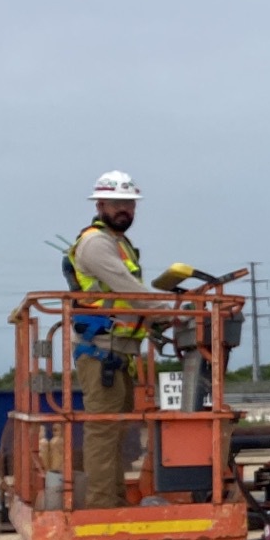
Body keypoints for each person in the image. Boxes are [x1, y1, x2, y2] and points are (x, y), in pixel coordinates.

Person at [63, 171, 155, 508]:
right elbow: (126, 287)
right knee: (103, 432)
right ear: (100, 204)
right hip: (100, 349)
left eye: (130, 205)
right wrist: (170, 312)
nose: (125, 211)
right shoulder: (96, 242)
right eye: (118, 203)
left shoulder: (119, 243)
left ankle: (114, 501)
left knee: (115, 434)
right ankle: (102, 507)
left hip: (118, 352)